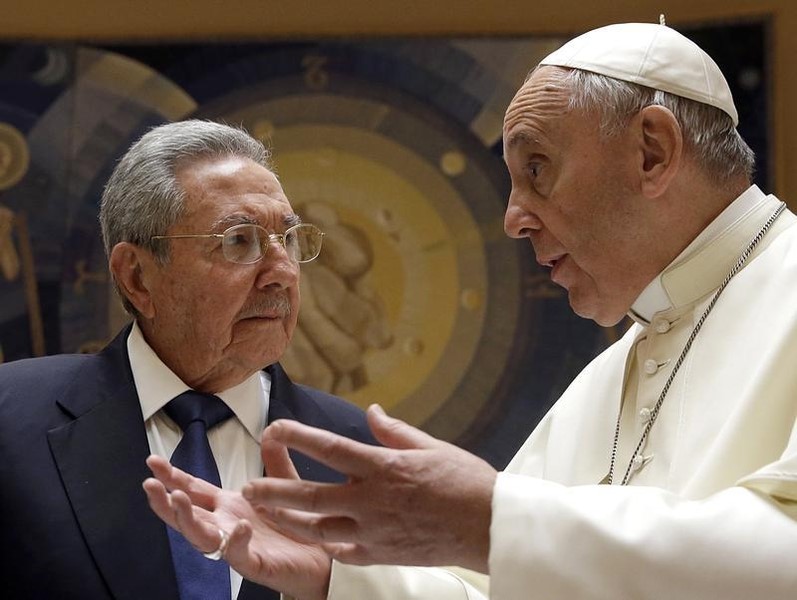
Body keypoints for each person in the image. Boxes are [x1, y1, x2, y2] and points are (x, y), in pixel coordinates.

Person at [144, 22, 797, 600]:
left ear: (650, 151)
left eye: (537, 168)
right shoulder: (612, 370)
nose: (513, 219)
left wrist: (493, 521)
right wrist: (335, 577)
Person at [0, 119, 378, 600]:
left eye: (289, 239)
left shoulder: (360, 455)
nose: (282, 272)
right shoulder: (11, 420)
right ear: (137, 277)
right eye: (239, 241)